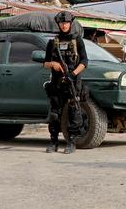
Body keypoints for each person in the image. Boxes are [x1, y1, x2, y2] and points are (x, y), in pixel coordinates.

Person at [43, 11, 88, 154]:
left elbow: (84, 62)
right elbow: (45, 63)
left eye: (66, 23)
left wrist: (72, 74)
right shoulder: (53, 42)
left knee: (73, 112)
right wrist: (53, 64)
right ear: (58, 24)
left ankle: (71, 142)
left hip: (72, 82)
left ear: (70, 24)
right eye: (62, 23)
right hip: (56, 82)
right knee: (55, 113)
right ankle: (53, 142)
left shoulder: (77, 40)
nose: (64, 25)